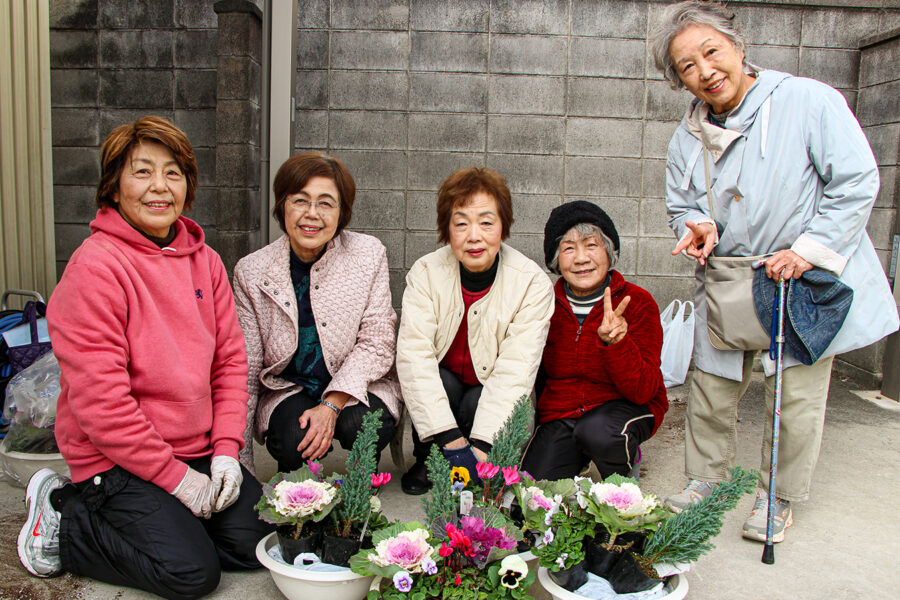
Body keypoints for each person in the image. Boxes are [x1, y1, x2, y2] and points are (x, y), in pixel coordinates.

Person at [651, 1, 898, 543]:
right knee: (712, 383)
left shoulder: (807, 100)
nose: (704, 71)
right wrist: (696, 225)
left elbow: (855, 181)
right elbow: (680, 205)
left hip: (797, 275)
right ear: (679, 80)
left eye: (710, 52)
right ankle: (705, 480)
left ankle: (776, 495)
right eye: (686, 66)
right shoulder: (685, 135)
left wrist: (809, 250)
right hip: (728, 276)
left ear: (738, 46)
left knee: (795, 392)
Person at [18, 116, 272, 599]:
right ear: (113, 188)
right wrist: (176, 482)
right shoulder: (96, 267)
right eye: (142, 172)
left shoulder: (206, 260)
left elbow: (230, 364)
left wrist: (224, 452)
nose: (160, 187)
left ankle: (167, 523)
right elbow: (102, 407)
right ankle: (63, 518)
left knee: (257, 542)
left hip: (193, 448)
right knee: (190, 574)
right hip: (114, 460)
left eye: (173, 172)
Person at [233, 152, 399, 474]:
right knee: (294, 436)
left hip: (357, 386)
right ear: (283, 205)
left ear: (342, 212)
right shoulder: (251, 272)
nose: (312, 214)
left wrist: (331, 404)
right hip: (290, 386)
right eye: (300, 201)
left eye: (325, 203)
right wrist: (242, 468)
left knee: (361, 423)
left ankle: (364, 484)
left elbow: (377, 342)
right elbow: (246, 370)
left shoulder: (368, 255)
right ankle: (299, 492)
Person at [396, 167, 554, 495]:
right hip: (447, 383)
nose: (474, 236)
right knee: (440, 381)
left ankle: (478, 460)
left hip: (490, 388)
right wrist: (451, 444)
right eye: (461, 223)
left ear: (503, 226)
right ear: (446, 229)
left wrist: (478, 450)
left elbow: (515, 371)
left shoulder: (531, 283)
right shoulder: (425, 273)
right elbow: (415, 359)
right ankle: (431, 457)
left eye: (486, 222)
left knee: (476, 400)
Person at [522, 201, 669, 480]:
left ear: (609, 251)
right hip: (563, 412)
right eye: (568, 248)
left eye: (591, 245)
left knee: (599, 433)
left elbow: (643, 390)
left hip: (624, 408)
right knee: (530, 494)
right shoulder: (543, 304)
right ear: (555, 259)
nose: (581, 258)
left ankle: (624, 460)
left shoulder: (637, 302)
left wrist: (618, 344)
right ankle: (579, 452)